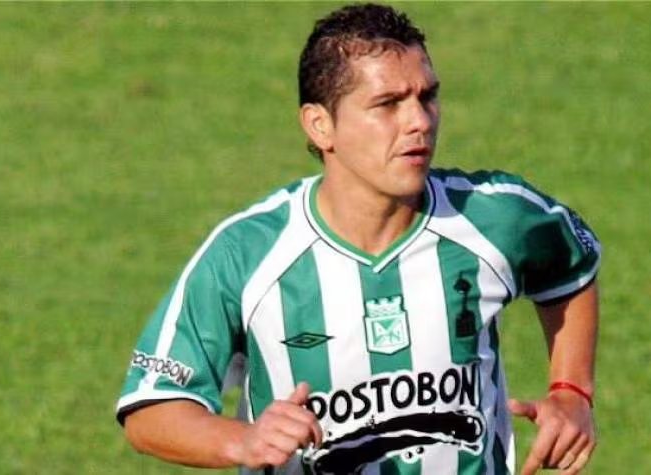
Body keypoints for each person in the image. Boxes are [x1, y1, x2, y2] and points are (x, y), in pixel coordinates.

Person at [117, 4, 601, 474]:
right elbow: (151, 410)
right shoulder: (248, 254)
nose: (420, 121)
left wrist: (571, 393)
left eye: (427, 96)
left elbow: (571, 268)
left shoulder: (495, 217)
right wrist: (241, 440)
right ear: (320, 125)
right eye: (388, 104)